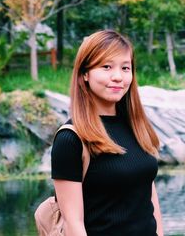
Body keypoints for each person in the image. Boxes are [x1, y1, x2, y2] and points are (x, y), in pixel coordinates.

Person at [51, 29, 163, 236]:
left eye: (125, 68)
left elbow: (149, 197)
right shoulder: (71, 139)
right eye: (106, 67)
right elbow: (72, 223)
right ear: (85, 74)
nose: (118, 77)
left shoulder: (137, 128)